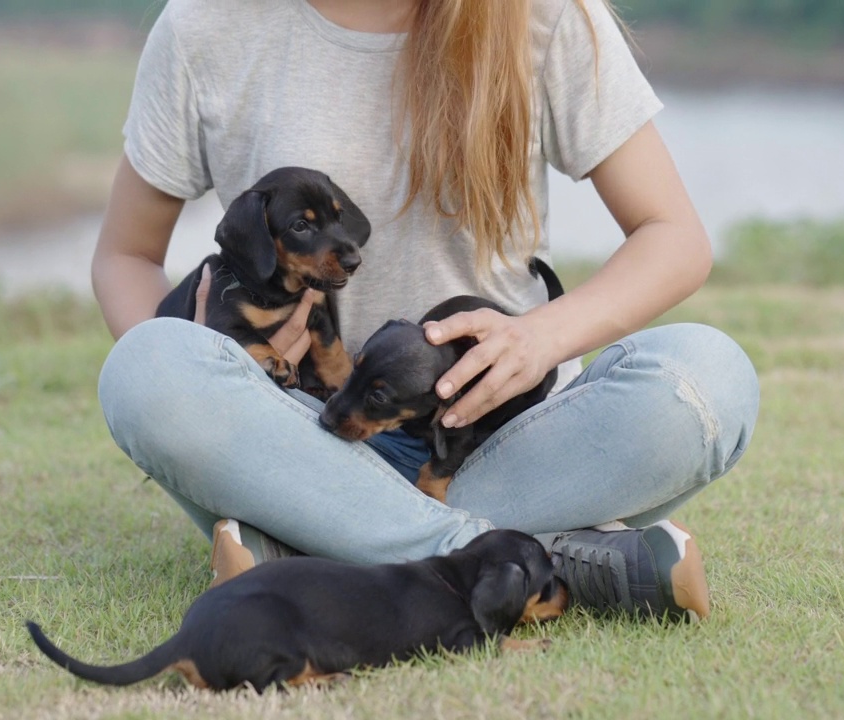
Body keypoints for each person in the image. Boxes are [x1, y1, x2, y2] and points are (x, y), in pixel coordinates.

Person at [91, 0, 759, 621]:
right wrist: (210, 351)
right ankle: (524, 561)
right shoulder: (205, 24)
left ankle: (313, 552)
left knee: (711, 377)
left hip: (503, 439)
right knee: (145, 367)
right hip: (302, 437)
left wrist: (539, 339)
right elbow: (125, 257)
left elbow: (673, 237)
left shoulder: (542, 14)